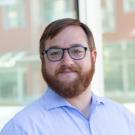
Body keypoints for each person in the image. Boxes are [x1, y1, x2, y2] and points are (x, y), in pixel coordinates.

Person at [0, 18, 135, 135]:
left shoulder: (125, 119)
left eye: (76, 51)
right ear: (43, 60)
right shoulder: (21, 129)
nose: (67, 62)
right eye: (55, 53)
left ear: (93, 57)